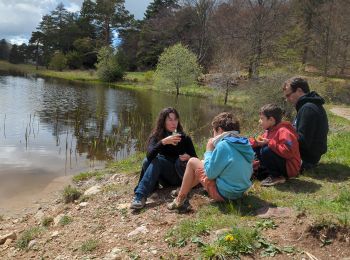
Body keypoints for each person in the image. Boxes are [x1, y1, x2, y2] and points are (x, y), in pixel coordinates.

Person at [167, 112, 254, 210]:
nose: (213, 135)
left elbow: (210, 174)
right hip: (240, 192)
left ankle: (179, 200)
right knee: (203, 162)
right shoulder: (245, 143)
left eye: (213, 131)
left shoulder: (223, 145)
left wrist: (209, 150)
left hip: (225, 195)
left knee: (192, 161)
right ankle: (181, 191)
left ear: (220, 130)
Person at [130, 107, 197, 209]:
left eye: (175, 119)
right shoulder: (156, 136)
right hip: (165, 177)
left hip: (180, 177)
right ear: (163, 121)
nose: (173, 123)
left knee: (158, 161)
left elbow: (196, 159)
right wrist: (163, 142)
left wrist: (189, 156)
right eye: (170, 119)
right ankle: (140, 196)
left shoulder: (185, 138)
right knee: (149, 161)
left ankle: (142, 193)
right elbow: (149, 156)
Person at [283, 77, 328, 170]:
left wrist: (282, 137)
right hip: (309, 157)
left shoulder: (308, 108)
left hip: (306, 159)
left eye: (288, 95)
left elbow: (303, 141)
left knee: (267, 152)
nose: (287, 99)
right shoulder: (309, 105)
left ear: (299, 90)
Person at [250, 104, 301, 186]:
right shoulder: (269, 131)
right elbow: (259, 142)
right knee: (257, 147)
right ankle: (265, 171)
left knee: (266, 149)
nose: (259, 121)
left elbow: (288, 152)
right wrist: (250, 143)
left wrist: (269, 143)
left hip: (289, 168)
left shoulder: (284, 131)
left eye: (262, 118)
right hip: (279, 164)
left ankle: (277, 176)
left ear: (271, 119)